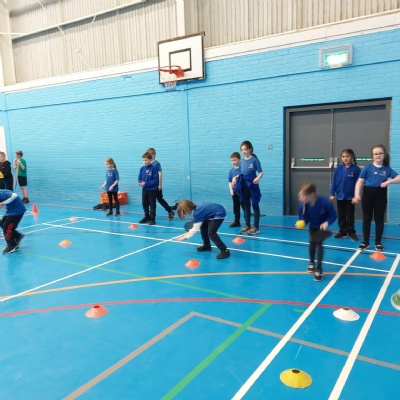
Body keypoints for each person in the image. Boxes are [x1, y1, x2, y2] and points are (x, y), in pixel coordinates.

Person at [352, 144, 400, 251]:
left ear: (384, 155)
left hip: (380, 195)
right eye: (376, 154)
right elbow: (359, 182)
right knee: (367, 218)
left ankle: (378, 242)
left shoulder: (387, 169)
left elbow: (399, 177)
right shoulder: (367, 168)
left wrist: (388, 181)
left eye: (380, 153)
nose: (378, 155)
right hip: (367, 194)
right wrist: (357, 194)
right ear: (372, 156)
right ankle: (365, 242)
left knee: (379, 219)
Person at [297, 182, 337, 282]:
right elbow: (305, 218)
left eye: (303, 196)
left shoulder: (324, 202)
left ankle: (319, 269)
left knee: (319, 244)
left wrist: (326, 223)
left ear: (312, 194)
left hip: (322, 228)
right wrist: (302, 222)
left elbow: (333, 216)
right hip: (313, 227)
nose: (300, 198)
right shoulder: (302, 205)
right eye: (300, 196)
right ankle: (311, 262)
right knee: (312, 244)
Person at [232, 140, 263, 235]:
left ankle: (256, 227)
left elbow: (261, 172)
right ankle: (247, 225)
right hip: (244, 185)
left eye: (245, 149)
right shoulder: (241, 161)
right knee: (246, 205)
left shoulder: (254, 160)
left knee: (255, 205)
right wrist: (235, 177)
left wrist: (258, 178)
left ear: (250, 149)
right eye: (242, 150)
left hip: (252, 185)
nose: (243, 151)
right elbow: (241, 173)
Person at [330, 149, 360, 241]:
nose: (345, 158)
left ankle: (351, 232)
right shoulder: (338, 169)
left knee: (350, 215)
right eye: (343, 157)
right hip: (340, 196)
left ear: (352, 157)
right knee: (341, 214)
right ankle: (342, 231)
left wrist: (356, 195)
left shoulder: (356, 169)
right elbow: (334, 182)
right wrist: (332, 193)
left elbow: (358, 183)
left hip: (350, 197)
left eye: (347, 156)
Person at [146, 148, 175, 221]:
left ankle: (170, 211)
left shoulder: (156, 164)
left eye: (151, 155)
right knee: (150, 200)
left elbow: (160, 174)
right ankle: (151, 214)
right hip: (150, 186)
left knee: (159, 199)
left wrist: (160, 184)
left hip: (156, 185)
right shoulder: (148, 164)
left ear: (154, 155)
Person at [0, 189, 27, 254]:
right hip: (10, 211)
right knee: (3, 223)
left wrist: (3, 203)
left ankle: (12, 245)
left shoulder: (2, 193)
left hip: (17, 211)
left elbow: (14, 195)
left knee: (7, 228)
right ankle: (17, 236)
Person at [138, 152, 159, 225]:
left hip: (152, 190)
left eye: (146, 160)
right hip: (145, 189)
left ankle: (152, 219)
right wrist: (140, 182)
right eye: (143, 160)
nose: (144, 162)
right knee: (144, 203)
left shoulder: (154, 168)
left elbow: (155, 180)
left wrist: (146, 183)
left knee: (152, 204)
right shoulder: (142, 169)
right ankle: (146, 217)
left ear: (150, 160)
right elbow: (139, 178)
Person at [228, 152, 243, 228]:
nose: (233, 162)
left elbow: (244, 175)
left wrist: (236, 177)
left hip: (243, 192)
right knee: (236, 207)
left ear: (239, 159)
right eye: (232, 160)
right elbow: (230, 181)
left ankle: (248, 223)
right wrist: (231, 190)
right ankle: (237, 221)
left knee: (245, 207)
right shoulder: (231, 171)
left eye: (235, 160)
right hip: (235, 192)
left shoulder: (243, 168)